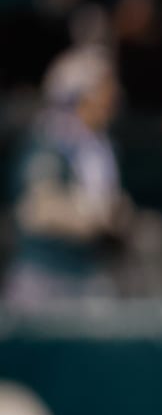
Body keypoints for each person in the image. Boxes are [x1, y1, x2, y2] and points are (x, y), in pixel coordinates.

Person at [3, 46, 132, 309]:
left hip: (89, 270)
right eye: (103, 88)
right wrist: (95, 214)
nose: (111, 97)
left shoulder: (100, 146)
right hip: (46, 274)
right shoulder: (49, 140)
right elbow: (36, 210)